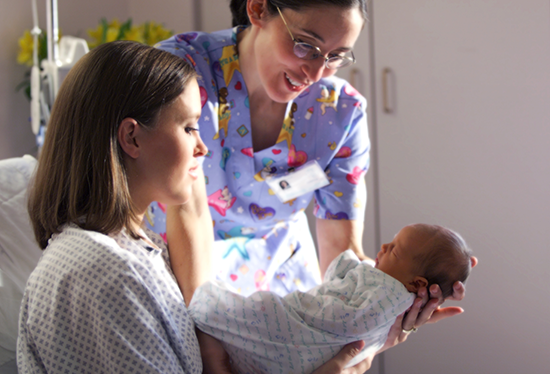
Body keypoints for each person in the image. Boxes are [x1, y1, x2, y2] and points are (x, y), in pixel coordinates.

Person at [16, 40, 382, 374]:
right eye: (190, 127)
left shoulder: (139, 250)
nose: (203, 148)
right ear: (131, 137)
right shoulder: (103, 276)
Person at [151, 1, 474, 367]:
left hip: (283, 286)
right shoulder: (185, 72)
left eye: (336, 56)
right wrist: (209, 342)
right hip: (187, 267)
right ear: (258, 9)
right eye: (306, 44)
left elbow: (342, 250)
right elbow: (188, 211)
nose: (317, 72)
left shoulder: (339, 112)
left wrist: (382, 316)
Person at [183, 224, 474, 373]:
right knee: (257, 314)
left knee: (263, 312)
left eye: (395, 250)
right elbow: (340, 278)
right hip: (309, 330)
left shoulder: (393, 295)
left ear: (417, 283)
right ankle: (211, 321)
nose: (383, 246)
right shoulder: (380, 281)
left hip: (307, 341)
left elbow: (352, 323)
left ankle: (207, 311)